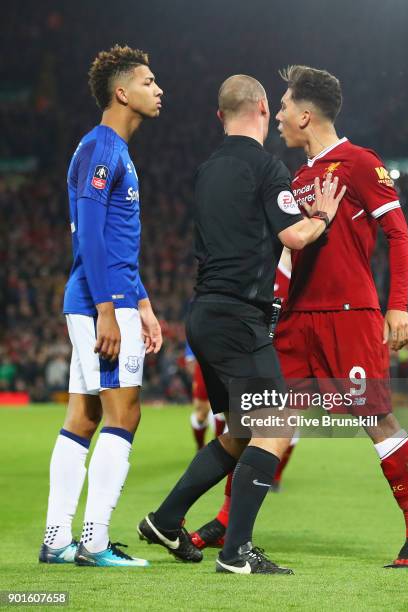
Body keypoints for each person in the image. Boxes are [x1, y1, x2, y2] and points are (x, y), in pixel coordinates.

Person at [138, 74, 345, 574]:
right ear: (261, 107)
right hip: (239, 318)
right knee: (276, 427)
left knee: (237, 435)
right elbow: (295, 236)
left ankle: (166, 520)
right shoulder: (267, 166)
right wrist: (324, 216)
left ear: (219, 115)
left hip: (204, 316)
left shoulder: (207, 169)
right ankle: (237, 553)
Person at [273, 65, 408, 569]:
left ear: (305, 115)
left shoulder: (359, 162)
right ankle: (227, 523)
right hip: (297, 319)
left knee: (375, 418)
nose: (278, 116)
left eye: (283, 106)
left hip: (348, 315)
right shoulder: (299, 178)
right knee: (267, 419)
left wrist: (398, 304)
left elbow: (399, 235)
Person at [39, 45, 163, 568]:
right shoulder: (102, 148)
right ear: (122, 92)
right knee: (125, 413)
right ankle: (93, 541)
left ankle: (55, 539)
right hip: (98, 304)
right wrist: (111, 310)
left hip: (104, 297)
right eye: (149, 81)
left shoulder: (114, 151)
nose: (159, 90)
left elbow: (114, 241)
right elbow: (88, 232)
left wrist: (145, 304)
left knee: (84, 415)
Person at [189, 252, 299, 550]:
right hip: (247, 355)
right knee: (241, 432)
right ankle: (225, 522)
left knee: (274, 432)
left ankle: (222, 520)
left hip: (284, 355)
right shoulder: (254, 259)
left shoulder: (301, 267)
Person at [185, 341, 225, 451]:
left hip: (228, 361)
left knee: (223, 409)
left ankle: (219, 450)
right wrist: (189, 357)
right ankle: (200, 447)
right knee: (201, 414)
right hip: (204, 364)